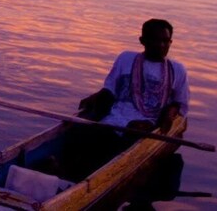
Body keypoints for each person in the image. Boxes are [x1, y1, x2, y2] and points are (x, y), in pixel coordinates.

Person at [62, 19, 190, 180]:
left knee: (117, 139)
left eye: (166, 41)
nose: (161, 46)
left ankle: (76, 174)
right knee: (78, 129)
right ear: (142, 41)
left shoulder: (177, 69)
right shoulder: (126, 58)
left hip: (146, 123)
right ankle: (69, 171)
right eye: (155, 40)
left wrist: (169, 114)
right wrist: (97, 96)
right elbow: (110, 88)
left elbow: (180, 103)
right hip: (114, 118)